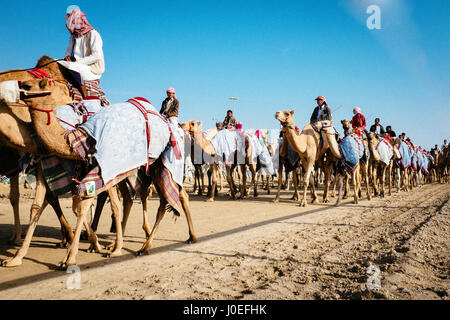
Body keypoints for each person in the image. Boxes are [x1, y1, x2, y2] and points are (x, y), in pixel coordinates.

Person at [58, 7, 106, 102]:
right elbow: (68, 53)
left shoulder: (93, 34)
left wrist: (78, 63)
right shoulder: (73, 37)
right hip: (76, 66)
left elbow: (97, 56)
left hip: (91, 70)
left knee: (72, 67)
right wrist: (67, 57)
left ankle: (84, 94)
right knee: (58, 62)